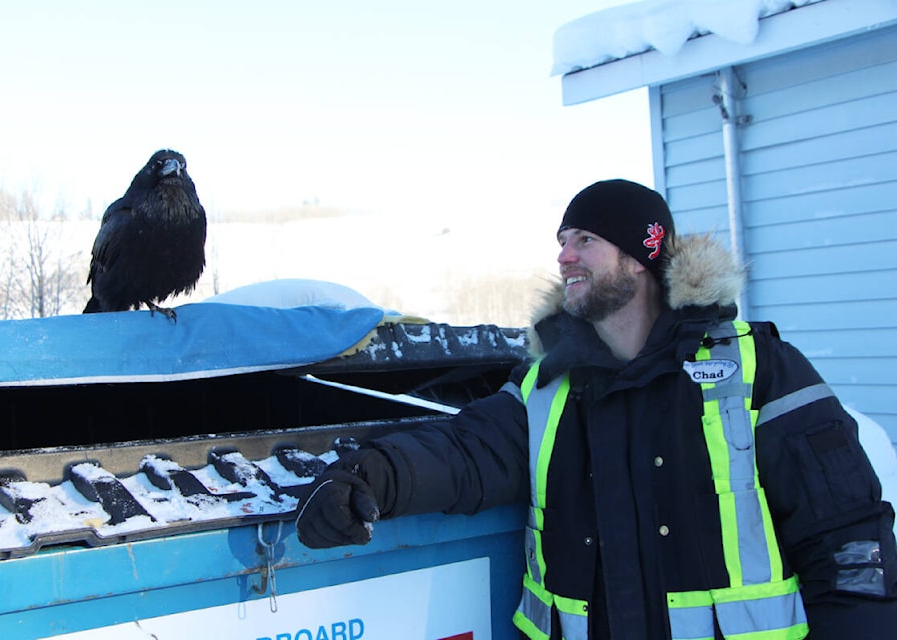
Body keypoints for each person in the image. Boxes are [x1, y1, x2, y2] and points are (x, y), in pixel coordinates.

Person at [295, 179, 897, 639]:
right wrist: (368, 477)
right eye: (562, 242)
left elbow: (848, 542)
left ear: (641, 256)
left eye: (585, 239)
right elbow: (464, 451)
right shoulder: (548, 386)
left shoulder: (759, 368)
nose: (564, 257)